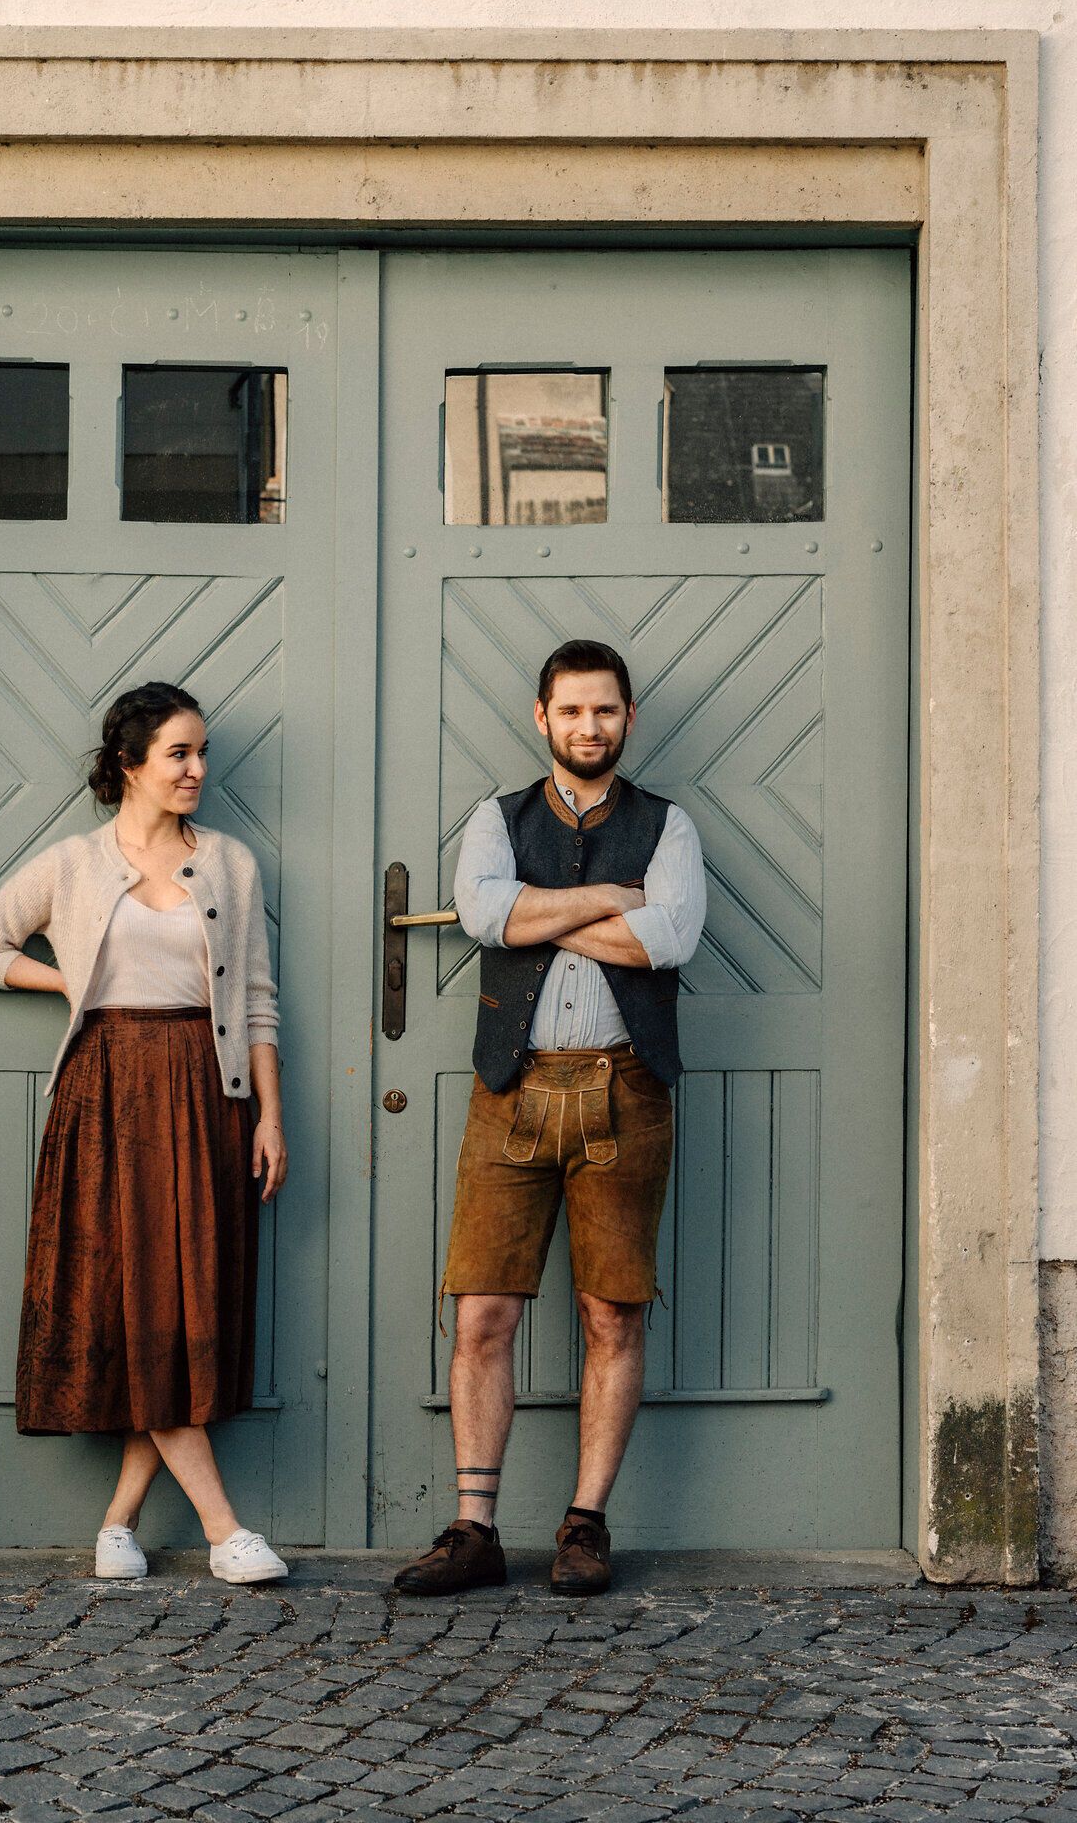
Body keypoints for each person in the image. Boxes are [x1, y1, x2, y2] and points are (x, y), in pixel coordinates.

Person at [0, 681, 290, 1585]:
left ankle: (116, 1527)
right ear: (130, 763)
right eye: (179, 753)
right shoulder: (71, 864)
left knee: (181, 1309)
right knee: (135, 1303)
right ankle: (224, 1531)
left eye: (202, 752)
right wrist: (67, 983)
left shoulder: (231, 864)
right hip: (104, 1095)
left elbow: (256, 998)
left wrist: (268, 1118)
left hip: (202, 1094)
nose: (197, 770)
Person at [394, 640, 706, 1598]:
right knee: (482, 1310)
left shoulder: (668, 825)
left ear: (627, 719)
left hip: (626, 1089)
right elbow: (480, 915)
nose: (587, 727)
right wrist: (606, 902)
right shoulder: (498, 817)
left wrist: (535, 911)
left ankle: (584, 1525)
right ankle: (474, 1530)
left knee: (610, 1310)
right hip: (511, 1087)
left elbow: (670, 937)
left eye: (604, 711)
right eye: (570, 711)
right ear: (542, 717)